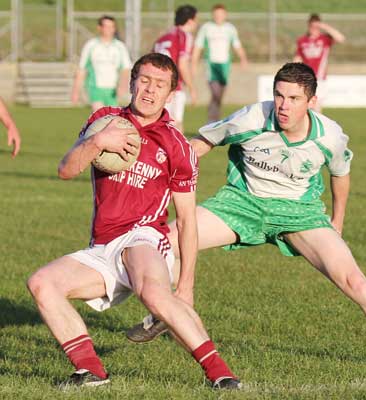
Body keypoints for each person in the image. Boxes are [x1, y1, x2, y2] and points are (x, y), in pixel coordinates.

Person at [127, 62, 366, 370]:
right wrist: (159, 171)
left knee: (353, 280)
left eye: (294, 99)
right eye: (279, 96)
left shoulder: (329, 136)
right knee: (165, 241)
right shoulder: (252, 117)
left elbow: (340, 175)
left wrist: (338, 220)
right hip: (242, 204)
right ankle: (169, 313)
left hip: (299, 214)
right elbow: (201, 143)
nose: (283, 105)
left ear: (312, 102)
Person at [27, 52, 241, 391]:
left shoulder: (177, 146)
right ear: (131, 82)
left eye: (160, 85)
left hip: (145, 237)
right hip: (102, 245)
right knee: (42, 283)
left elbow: (186, 220)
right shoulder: (104, 121)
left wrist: (185, 285)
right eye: (144, 80)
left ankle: (222, 375)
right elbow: (66, 170)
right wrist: (98, 142)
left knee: (154, 292)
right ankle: (91, 372)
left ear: (171, 94)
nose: (150, 90)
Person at [192, 3, 248, 123]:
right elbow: (198, 46)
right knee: (215, 93)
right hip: (211, 65)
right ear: (213, 15)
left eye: (221, 14)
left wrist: (243, 59)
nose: (218, 17)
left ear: (225, 15)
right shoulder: (206, 28)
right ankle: (212, 121)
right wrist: (194, 64)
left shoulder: (230, 28)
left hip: (225, 66)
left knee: (219, 95)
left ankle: (215, 118)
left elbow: (236, 45)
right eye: (216, 14)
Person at [71, 15, 132, 112]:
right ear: (99, 28)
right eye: (106, 26)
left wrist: (122, 85)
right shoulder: (91, 45)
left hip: (113, 90)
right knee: (98, 117)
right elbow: (82, 69)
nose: (109, 30)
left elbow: (126, 69)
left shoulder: (120, 47)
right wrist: (75, 91)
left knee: (112, 119)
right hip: (95, 88)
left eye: (111, 27)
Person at [153, 5, 198, 132]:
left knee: (159, 122)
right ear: (190, 20)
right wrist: (192, 88)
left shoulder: (163, 37)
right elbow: (182, 64)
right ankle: (178, 152)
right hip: (173, 86)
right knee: (176, 124)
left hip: (156, 85)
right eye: (196, 20)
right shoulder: (184, 36)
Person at [293, 14, 345, 112]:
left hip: (320, 79)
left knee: (315, 105)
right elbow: (297, 58)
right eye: (312, 26)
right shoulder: (302, 41)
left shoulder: (324, 39)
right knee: (305, 107)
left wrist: (324, 26)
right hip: (306, 77)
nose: (313, 29)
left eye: (316, 27)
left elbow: (341, 38)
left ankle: (317, 126)